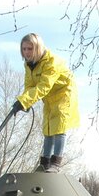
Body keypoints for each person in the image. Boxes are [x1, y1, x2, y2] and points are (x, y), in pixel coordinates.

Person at [11, 33, 79, 172]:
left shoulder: (51, 62)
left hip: (63, 93)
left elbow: (43, 86)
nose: (27, 52)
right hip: (48, 96)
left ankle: (56, 162)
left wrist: (25, 100)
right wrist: (24, 102)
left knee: (59, 125)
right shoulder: (29, 65)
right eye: (24, 49)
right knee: (47, 126)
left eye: (30, 49)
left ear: (37, 48)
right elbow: (29, 86)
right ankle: (45, 162)